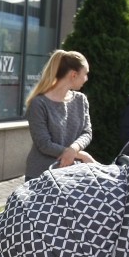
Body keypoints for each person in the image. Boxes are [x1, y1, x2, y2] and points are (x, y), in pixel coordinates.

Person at [24, 49, 94, 181]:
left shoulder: (81, 100)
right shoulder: (39, 103)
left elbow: (87, 132)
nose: (86, 79)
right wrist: (81, 155)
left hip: (71, 174)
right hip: (40, 175)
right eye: (85, 74)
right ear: (73, 75)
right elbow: (44, 144)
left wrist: (74, 149)